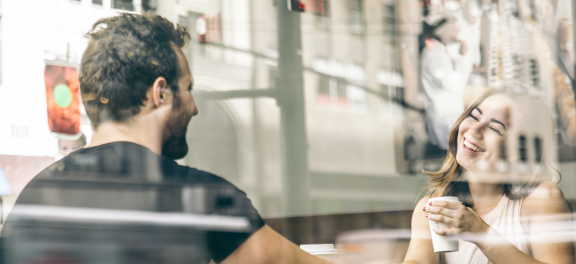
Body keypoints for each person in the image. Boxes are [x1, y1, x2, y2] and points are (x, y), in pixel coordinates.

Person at [2, 13, 335, 264]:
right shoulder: (199, 198)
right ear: (159, 93)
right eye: (188, 89)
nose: (194, 108)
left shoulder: (33, 198)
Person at [402, 90, 575, 263]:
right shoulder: (433, 206)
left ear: (519, 149)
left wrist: (480, 232)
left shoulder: (542, 199)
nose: (474, 129)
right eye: (474, 116)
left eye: (494, 128)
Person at [421, 16, 472, 150]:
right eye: (455, 32)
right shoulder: (434, 55)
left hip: (447, 117)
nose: (456, 37)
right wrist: (462, 57)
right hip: (445, 119)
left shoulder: (438, 52)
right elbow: (455, 85)